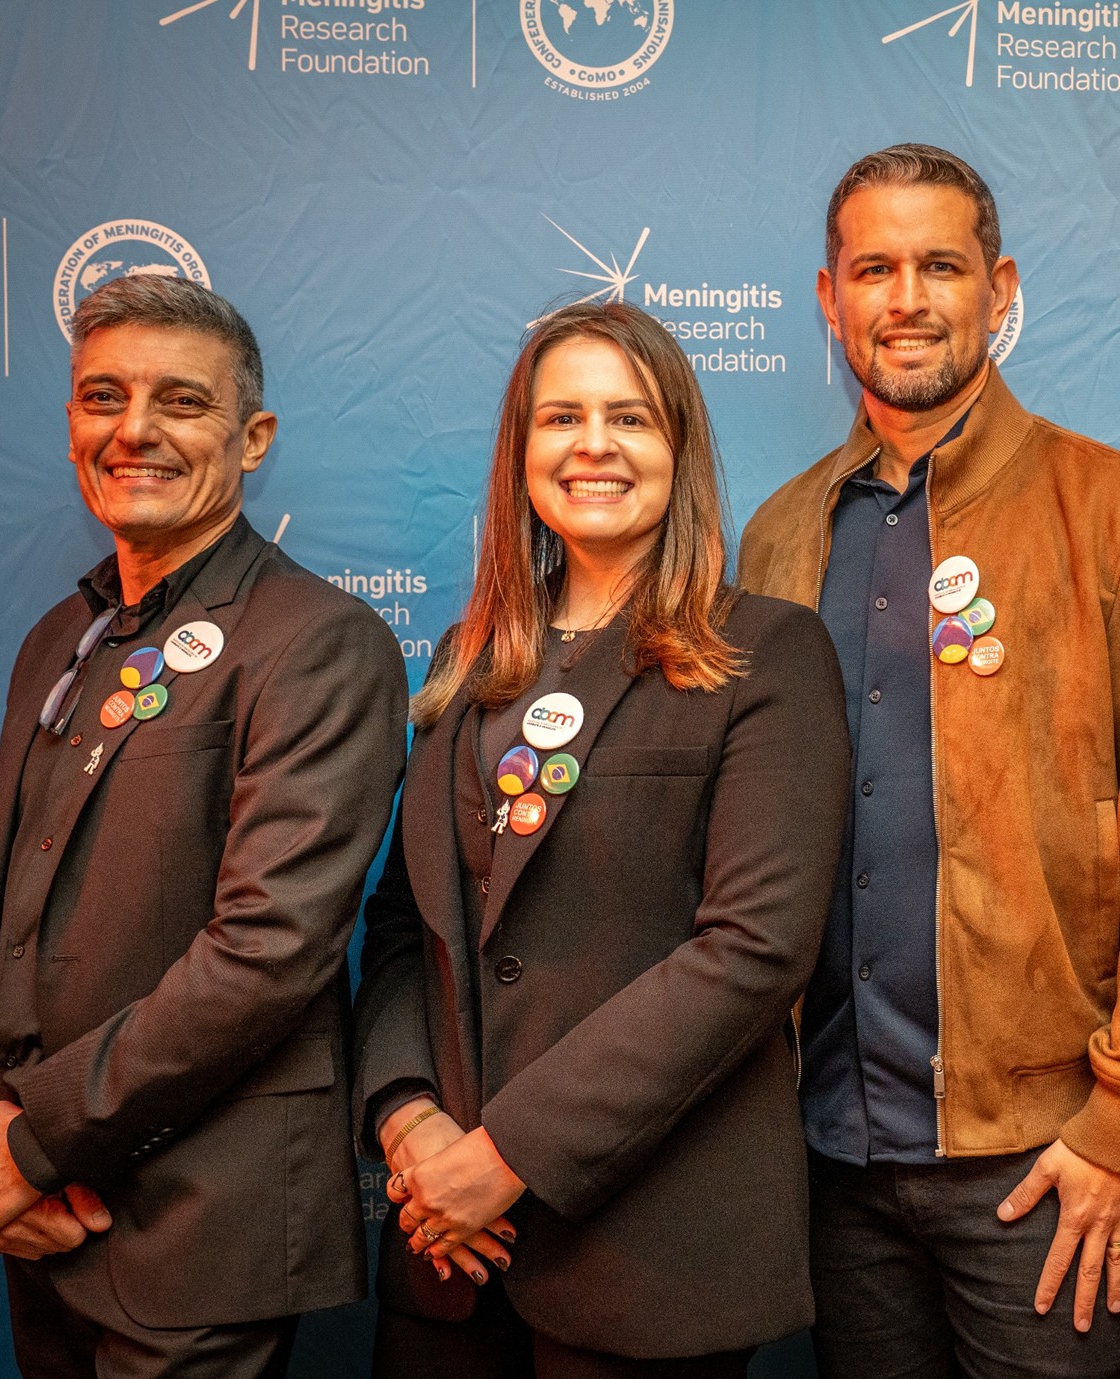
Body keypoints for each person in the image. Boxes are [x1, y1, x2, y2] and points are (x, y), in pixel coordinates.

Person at [737, 144, 1120, 1379]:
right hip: (828, 1152)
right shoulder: (781, 530)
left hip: (1042, 1161)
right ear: (829, 298)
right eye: (874, 268)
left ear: (997, 285)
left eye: (939, 266)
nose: (906, 298)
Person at [355, 301, 851, 1379]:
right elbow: (405, 927)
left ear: (678, 448)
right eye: (561, 417)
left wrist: (507, 1154)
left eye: (629, 417)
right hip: (447, 1250)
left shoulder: (764, 652)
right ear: (519, 451)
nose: (593, 445)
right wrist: (407, 1123)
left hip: (648, 1249)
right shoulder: (468, 656)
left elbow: (754, 948)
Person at [0, 275, 407, 1378]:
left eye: (180, 402)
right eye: (104, 396)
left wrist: (38, 1142)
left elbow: (268, 953)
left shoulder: (318, 641)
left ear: (253, 437)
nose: (134, 428)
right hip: (41, 1214)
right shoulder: (62, 634)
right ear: (70, 426)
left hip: (202, 1225)